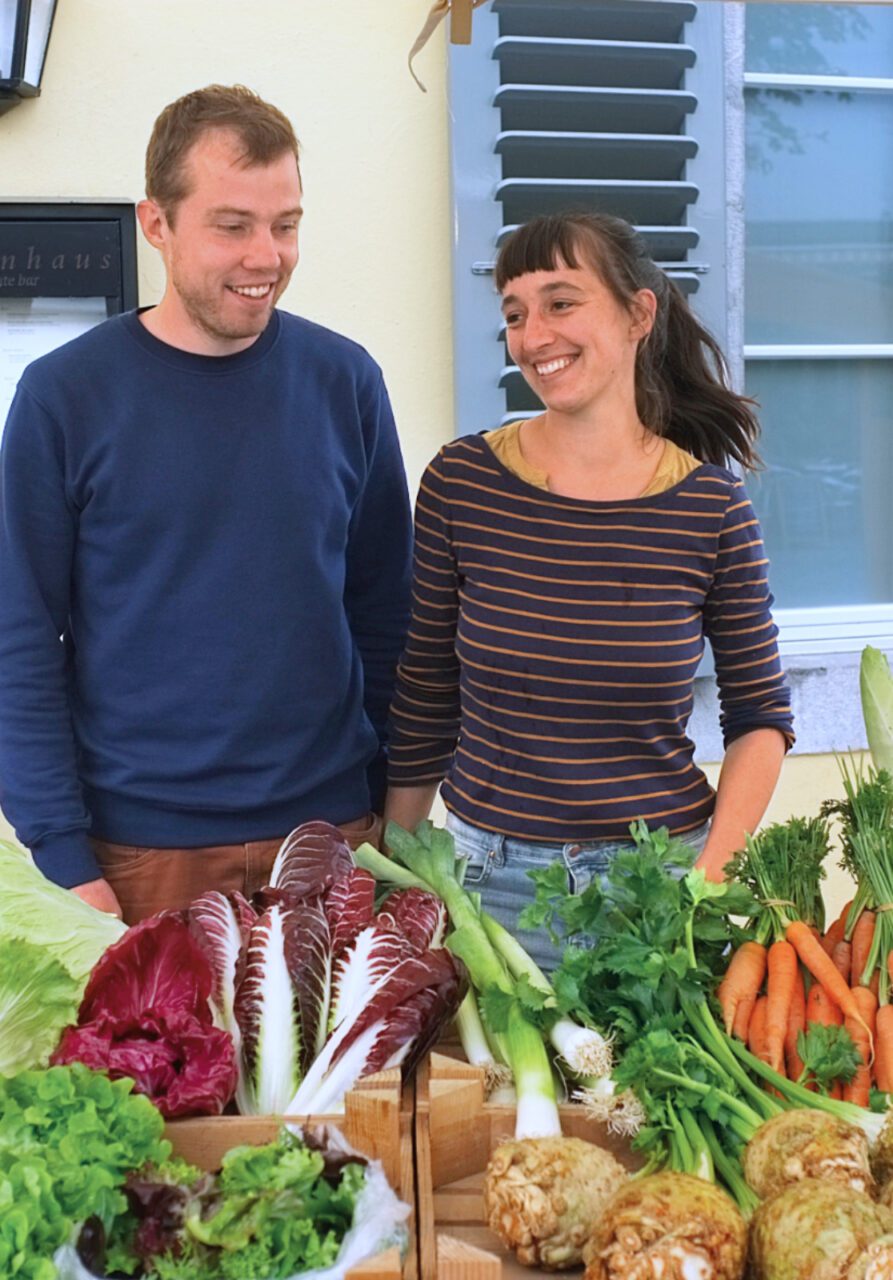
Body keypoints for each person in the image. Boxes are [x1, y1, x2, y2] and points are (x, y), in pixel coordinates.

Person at [0, 85, 412, 923]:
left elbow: (386, 616)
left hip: (330, 842)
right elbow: (18, 640)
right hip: (141, 857)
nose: (267, 256)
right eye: (233, 226)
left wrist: (387, 824)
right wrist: (63, 857)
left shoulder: (347, 383)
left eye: (285, 224)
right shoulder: (63, 399)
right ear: (157, 223)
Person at [384, 211, 793, 969]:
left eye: (561, 302)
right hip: (487, 888)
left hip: (657, 885)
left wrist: (702, 888)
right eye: (514, 313)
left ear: (639, 313)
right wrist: (395, 863)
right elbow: (427, 687)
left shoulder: (710, 507)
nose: (534, 335)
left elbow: (759, 718)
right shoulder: (461, 482)